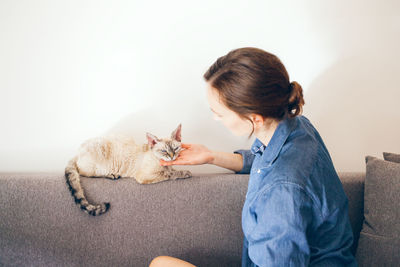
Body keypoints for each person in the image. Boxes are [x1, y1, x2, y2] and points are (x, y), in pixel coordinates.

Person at [149, 47, 357, 267]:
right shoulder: (296, 127)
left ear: (255, 118)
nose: (215, 119)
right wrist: (210, 156)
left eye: (219, 113)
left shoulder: (282, 191)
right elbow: (262, 160)